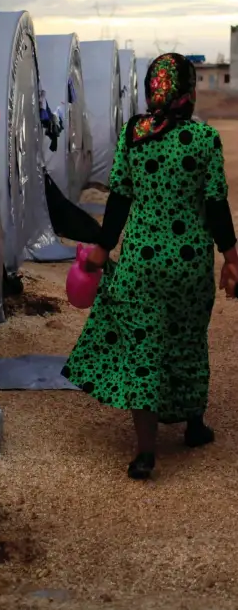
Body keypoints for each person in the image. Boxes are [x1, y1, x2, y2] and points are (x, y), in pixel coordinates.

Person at [62, 53, 238, 480]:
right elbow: (216, 207)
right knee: (188, 340)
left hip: (141, 262)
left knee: (143, 348)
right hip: (190, 263)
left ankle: (145, 454)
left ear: (150, 90)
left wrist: (103, 251)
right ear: (189, 91)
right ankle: (193, 425)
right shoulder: (204, 139)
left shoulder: (134, 136)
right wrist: (231, 257)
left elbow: (118, 199)